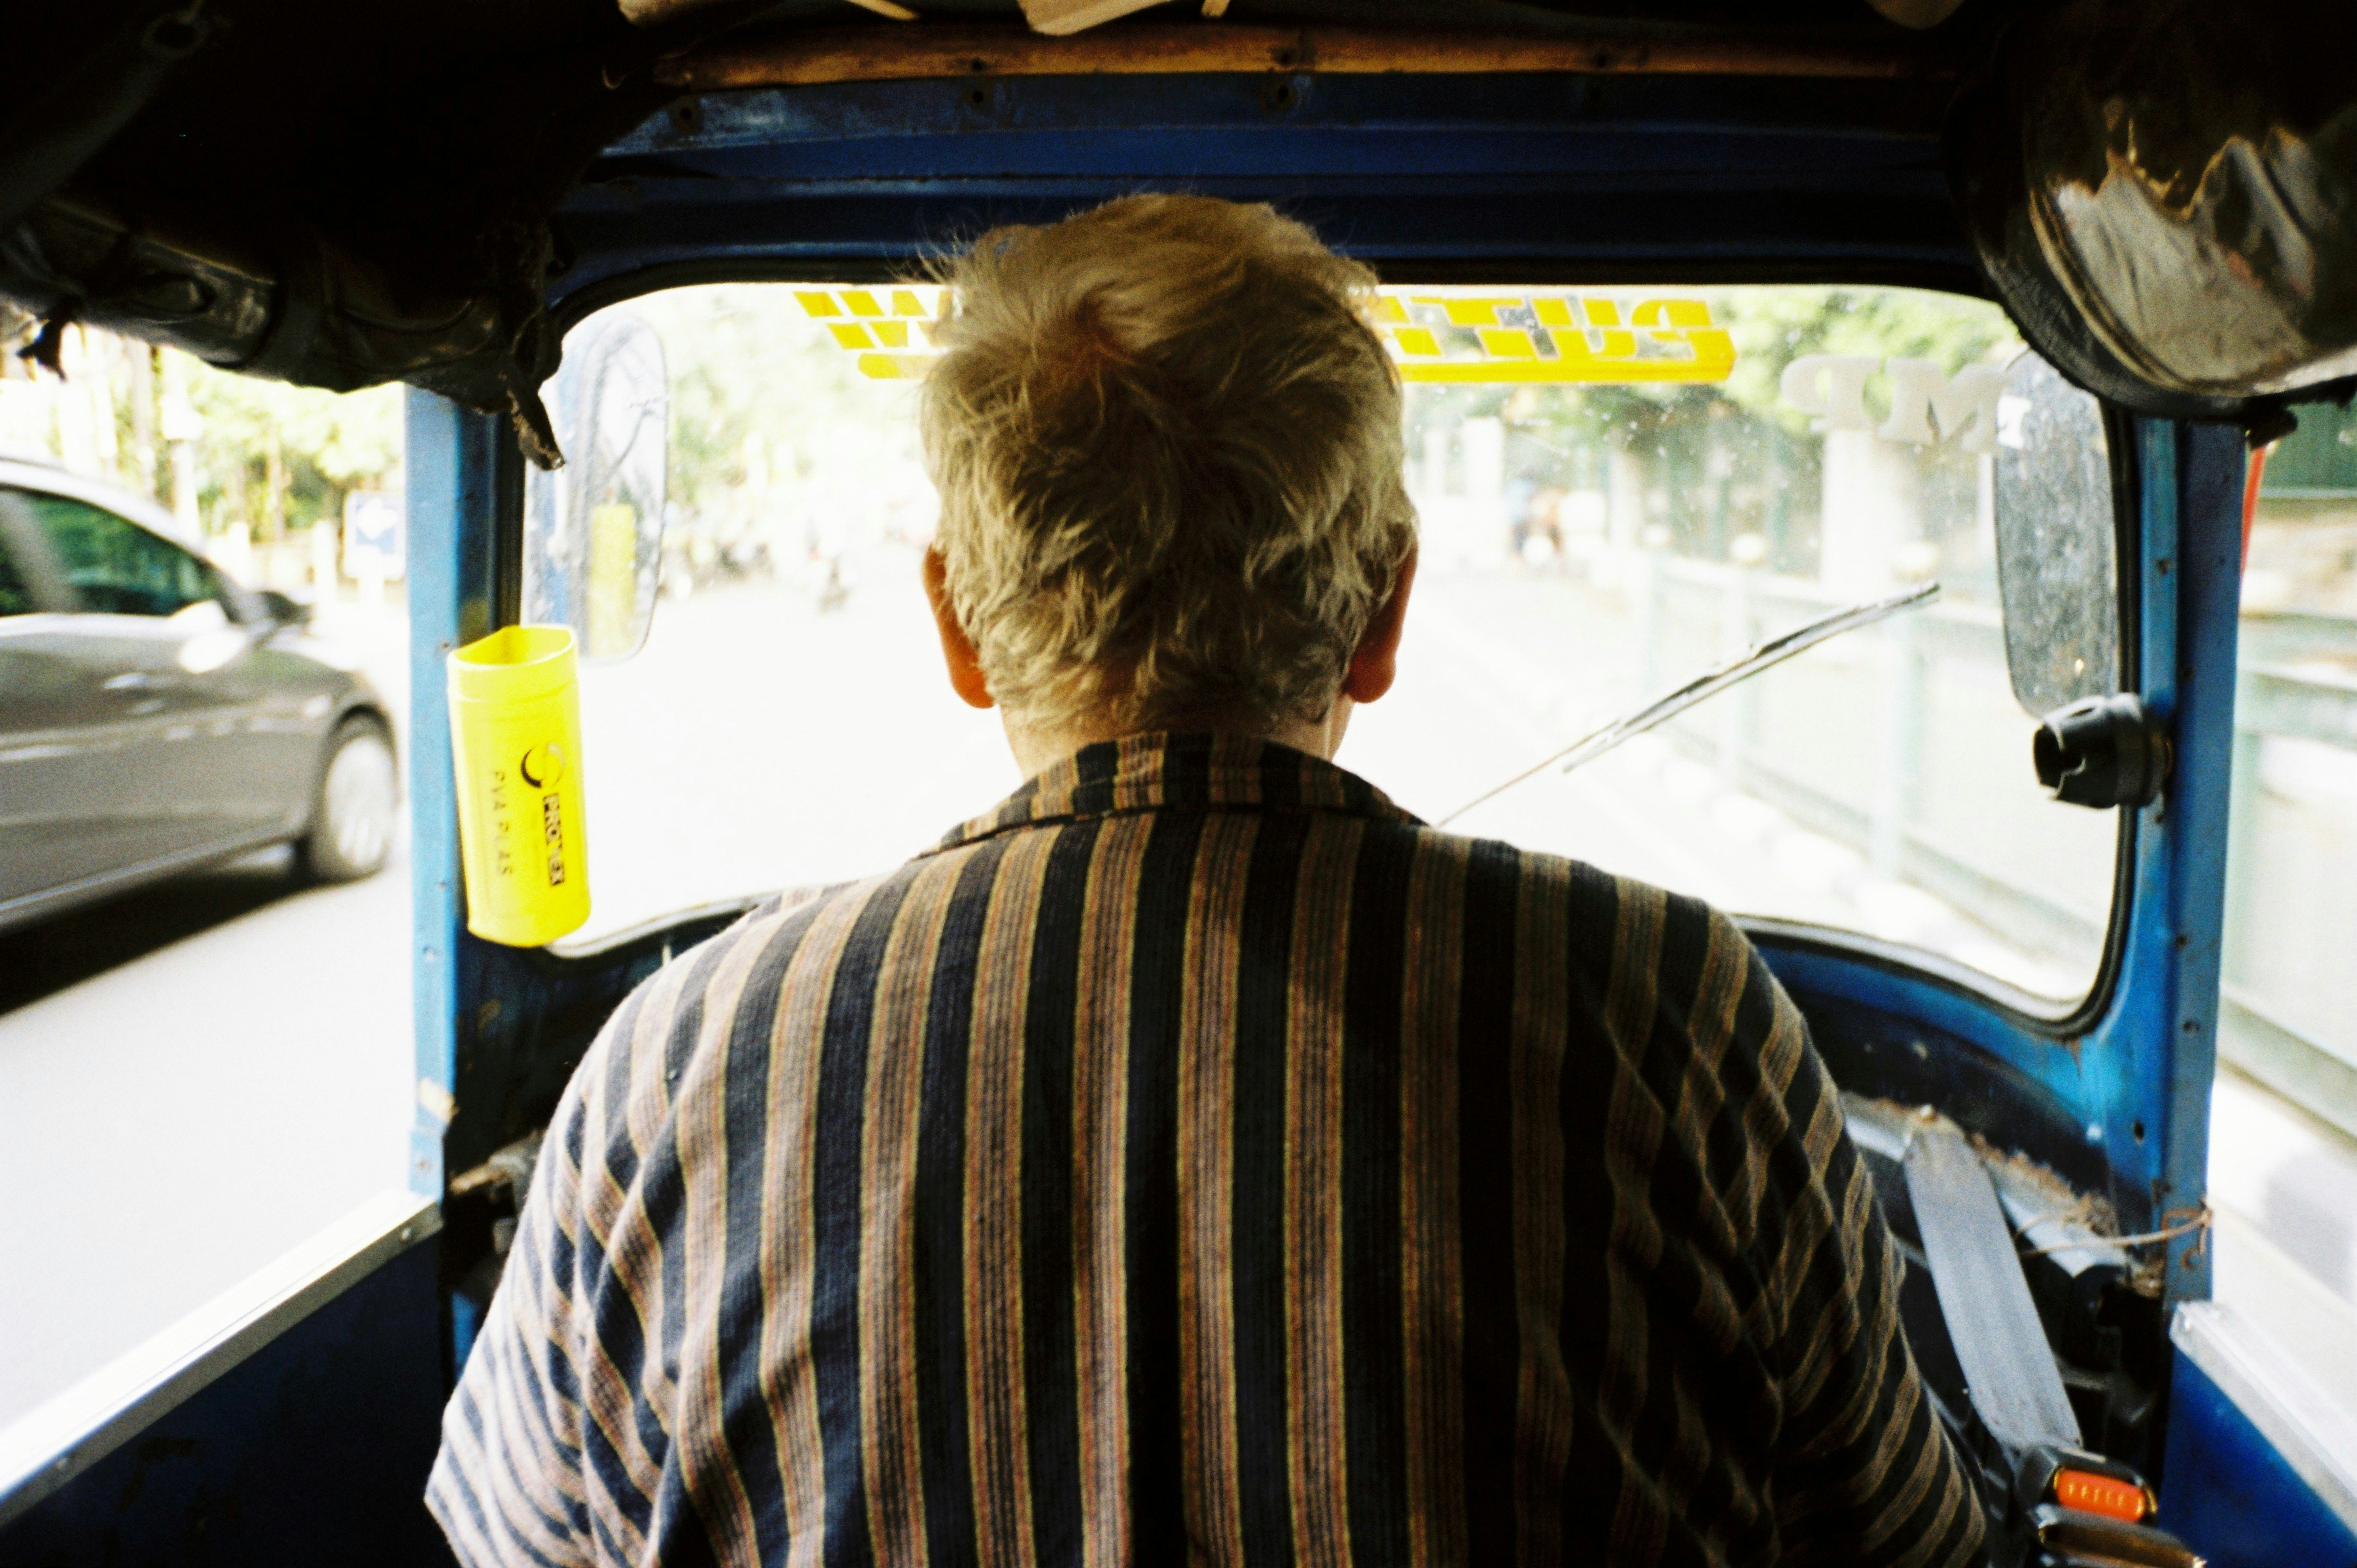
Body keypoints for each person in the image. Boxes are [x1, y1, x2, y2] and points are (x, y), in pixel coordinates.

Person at [427, 194, 1986, 1568]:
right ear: (1383, 609)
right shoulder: (1673, 1011)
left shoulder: (683, 1060)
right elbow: (1898, 1539)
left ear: (959, 631)